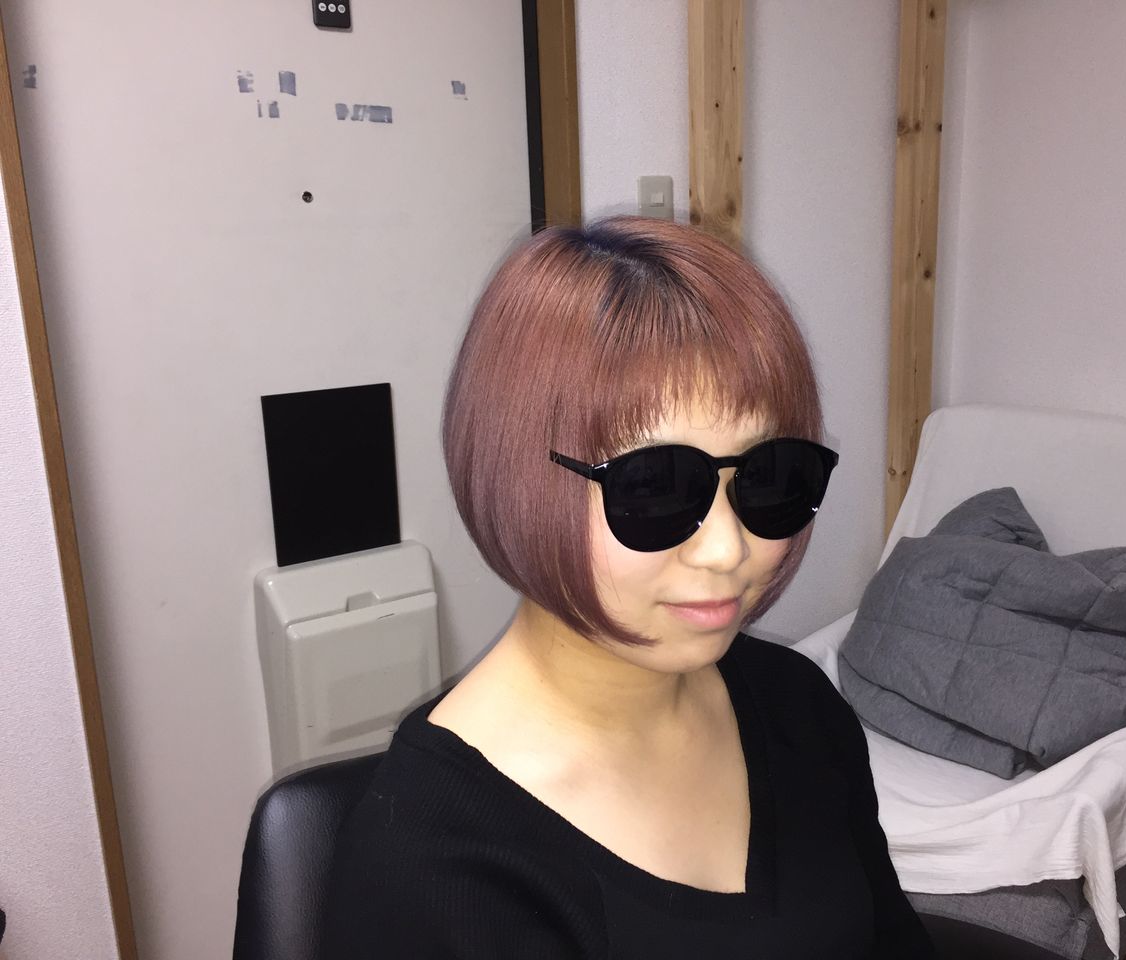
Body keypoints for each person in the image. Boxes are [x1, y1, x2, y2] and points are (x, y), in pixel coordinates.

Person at [320, 216, 938, 958]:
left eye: (771, 476)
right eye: (655, 488)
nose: (728, 549)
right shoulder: (430, 867)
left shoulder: (798, 706)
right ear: (520, 481)